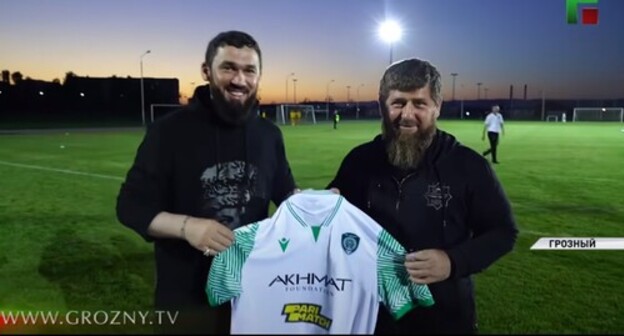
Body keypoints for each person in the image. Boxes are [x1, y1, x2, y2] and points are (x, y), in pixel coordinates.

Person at [116, 30, 297, 334]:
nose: (239, 79)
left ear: (259, 76)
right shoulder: (169, 132)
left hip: (252, 293)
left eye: (249, 70)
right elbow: (130, 207)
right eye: (228, 67)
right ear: (206, 71)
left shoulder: (269, 135)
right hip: (186, 298)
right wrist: (189, 227)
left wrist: (314, 203)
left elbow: (284, 193)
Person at [327, 58, 518, 334]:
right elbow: (332, 220)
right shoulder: (359, 161)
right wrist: (318, 204)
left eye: (419, 103)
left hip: (445, 319)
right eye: (398, 103)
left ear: (437, 107)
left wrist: (452, 262)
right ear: (383, 104)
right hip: (371, 318)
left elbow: (503, 232)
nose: (407, 114)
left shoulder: (468, 165)